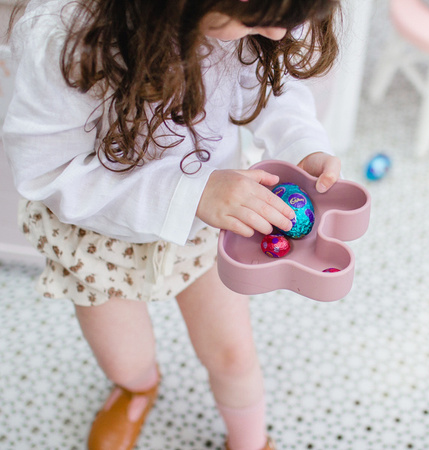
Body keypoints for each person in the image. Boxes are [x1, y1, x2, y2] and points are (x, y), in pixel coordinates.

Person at [3, 0, 342, 449]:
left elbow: (269, 87)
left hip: (205, 230)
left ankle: (250, 439)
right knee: (125, 360)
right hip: (98, 235)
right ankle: (137, 388)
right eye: (257, 19)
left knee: (233, 354)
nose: (279, 34)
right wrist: (191, 194)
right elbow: (48, 171)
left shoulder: (255, 22)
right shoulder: (65, 35)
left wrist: (302, 144)